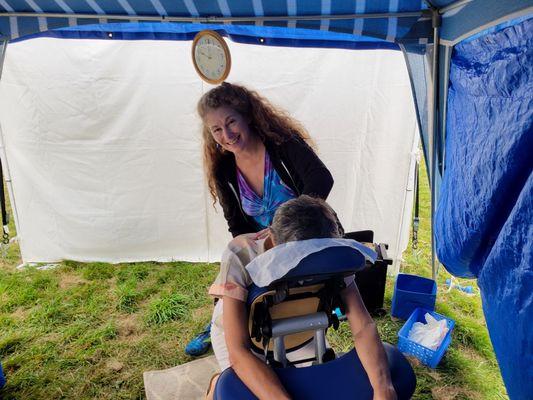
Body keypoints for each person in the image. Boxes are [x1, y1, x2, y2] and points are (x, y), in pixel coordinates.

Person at [186, 82, 335, 356]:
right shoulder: (224, 170)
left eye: (231, 122)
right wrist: (259, 249)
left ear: (248, 116)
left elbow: (321, 179)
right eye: (216, 129)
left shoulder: (283, 145)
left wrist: (286, 230)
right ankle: (222, 324)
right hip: (263, 246)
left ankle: (232, 326)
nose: (227, 134)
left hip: (303, 237)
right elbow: (237, 226)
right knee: (235, 274)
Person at [206, 196, 397, 400]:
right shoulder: (241, 252)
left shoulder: (329, 251)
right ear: (271, 241)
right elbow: (238, 351)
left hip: (300, 324)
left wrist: (383, 387)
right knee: (232, 386)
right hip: (243, 327)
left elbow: (363, 325)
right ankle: (215, 384)